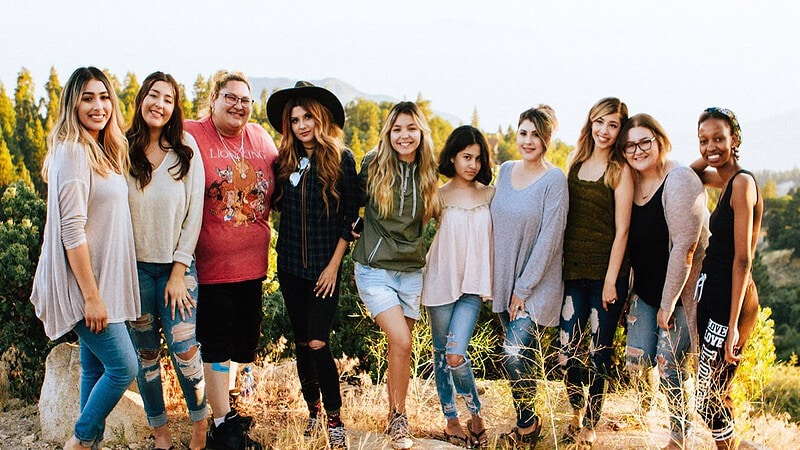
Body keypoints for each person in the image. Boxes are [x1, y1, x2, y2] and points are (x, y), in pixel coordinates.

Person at [30, 66, 140, 450]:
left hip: (102, 282)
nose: (98, 106)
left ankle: (86, 446)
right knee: (124, 367)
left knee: (94, 367)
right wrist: (92, 297)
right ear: (72, 103)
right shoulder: (74, 152)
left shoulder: (100, 150)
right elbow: (71, 232)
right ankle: (77, 444)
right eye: (88, 98)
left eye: (104, 97)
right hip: (87, 286)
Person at [184, 70, 278, 450]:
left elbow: (285, 180)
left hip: (254, 265)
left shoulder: (260, 138)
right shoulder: (193, 133)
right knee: (218, 343)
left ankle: (229, 411)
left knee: (243, 342)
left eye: (245, 99)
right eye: (230, 97)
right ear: (213, 98)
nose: (238, 105)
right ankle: (222, 425)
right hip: (211, 267)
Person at [266, 81, 358, 450]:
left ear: (320, 119)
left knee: (319, 341)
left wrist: (334, 265)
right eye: (295, 119)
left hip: (325, 269)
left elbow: (350, 220)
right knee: (303, 343)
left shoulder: (342, 159)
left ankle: (335, 421)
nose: (302, 125)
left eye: (308, 117)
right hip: (289, 268)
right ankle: (314, 412)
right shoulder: (283, 160)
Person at [125, 71, 207, 450]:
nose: (159, 104)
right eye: (153, 95)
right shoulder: (120, 149)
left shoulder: (186, 148)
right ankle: (160, 435)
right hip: (133, 273)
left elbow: (194, 215)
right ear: (142, 99)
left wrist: (178, 270)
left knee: (185, 351)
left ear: (175, 108)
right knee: (146, 357)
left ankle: (199, 426)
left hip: (178, 270)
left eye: (168, 99)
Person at [352, 101, 441, 449]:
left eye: (411, 129)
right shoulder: (373, 164)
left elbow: (428, 221)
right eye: (397, 129)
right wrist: (353, 224)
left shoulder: (429, 171)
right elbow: (349, 201)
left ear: (421, 132)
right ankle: (398, 418)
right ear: (388, 132)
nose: (404, 136)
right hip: (374, 270)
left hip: (411, 272)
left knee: (399, 348)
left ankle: (396, 418)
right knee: (403, 341)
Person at [619, 114, 709, 450]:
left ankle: (679, 436)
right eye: (630, 145)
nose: (638, 150)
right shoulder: (632, 180)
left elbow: (685, 248)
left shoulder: (680, 179)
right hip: (645, 291)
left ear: (660, 140)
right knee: (638, 359)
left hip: (681, 292)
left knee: (669, 362)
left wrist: (669, 302)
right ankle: (648, 417)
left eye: (645, 142)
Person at [559, 97, 633, 447]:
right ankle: (575, 408)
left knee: (599, 350)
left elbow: (622, 231)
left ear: (620, 130)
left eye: (613, 124)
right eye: (600, 122)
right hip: (572, 272)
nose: (604, 130)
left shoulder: (620, 171)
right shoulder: (575, 163)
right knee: (567, 348)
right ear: (590, 122)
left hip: (607, 276)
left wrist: (610, 280)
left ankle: (591, 420)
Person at [492, 105, 568, 447]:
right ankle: (526, 423)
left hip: (535, 287)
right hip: (504, 284)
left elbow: (550, 240)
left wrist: (522, 289)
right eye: (523, 132)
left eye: (536, 134)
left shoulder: (555, 180)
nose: (528, 140)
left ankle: (528, 423)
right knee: (516, 359)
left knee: (513, 353)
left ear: (547, 138)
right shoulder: (505, 170)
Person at [690, 107, 763, 450]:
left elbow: (743, 258)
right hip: (714, 296)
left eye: (719, 138)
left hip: (729, 301)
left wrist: (732, 324)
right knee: (710, 389)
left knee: (708, 393)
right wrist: (710, 155)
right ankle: (737, 446)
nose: (710, 145)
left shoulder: (742, 184)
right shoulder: (725, 179)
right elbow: (689, 176)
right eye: (704, 140)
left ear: (736, 139)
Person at [421, 125, 493, 448]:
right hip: (439, 281)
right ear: (453, 156)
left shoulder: (490, 194)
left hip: (472, 287)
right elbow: (411, 232)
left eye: (478, 158)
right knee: (440, 354)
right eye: (466, 157)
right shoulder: (438, 196)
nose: (472, 164)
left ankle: (475, 413)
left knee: (454, 354)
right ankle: (451, 421)